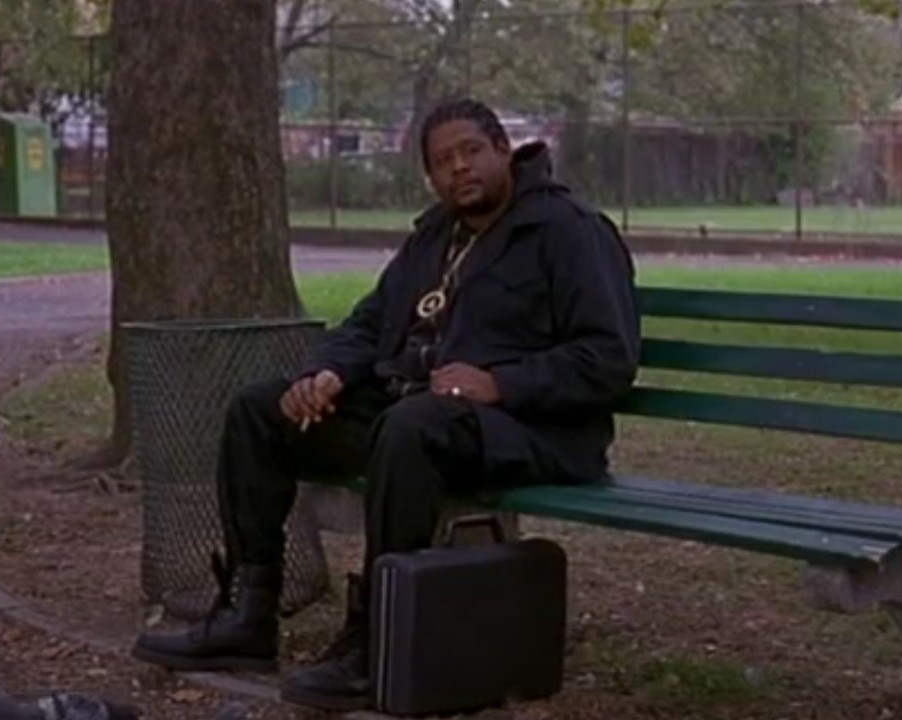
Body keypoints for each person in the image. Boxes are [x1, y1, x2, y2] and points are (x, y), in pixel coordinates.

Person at [130, 98, 641, 712]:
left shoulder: (567, 230)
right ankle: (248, 615)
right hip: (422, 415)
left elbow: (608, 358)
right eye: (443, 161)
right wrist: (322, 373)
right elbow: (368, 325)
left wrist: (500, 382)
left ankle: (376, 636)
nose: (459, 169)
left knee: (408, 427)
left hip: (529, 430)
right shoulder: (434, 236)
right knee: (260, 411)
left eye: (471, 152)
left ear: (505, 150)